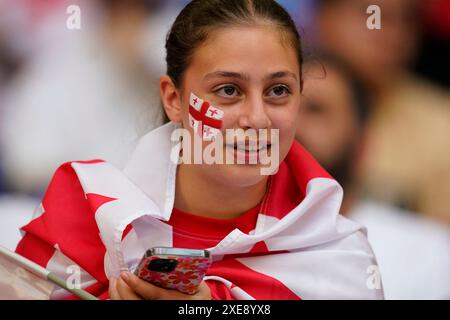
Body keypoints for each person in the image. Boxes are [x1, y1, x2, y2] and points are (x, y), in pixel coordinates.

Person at [15, 0, 383, 300]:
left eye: (278, 91)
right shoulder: (82, 210)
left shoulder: (340, 259)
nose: (256, 118)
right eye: (228, 90)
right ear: (173, 98)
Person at [296, 55, 450, 299]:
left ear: (362, 144)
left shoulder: (428, 253)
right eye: (282, 107)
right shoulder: (228, 246)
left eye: (315, 110)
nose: (291, 126)